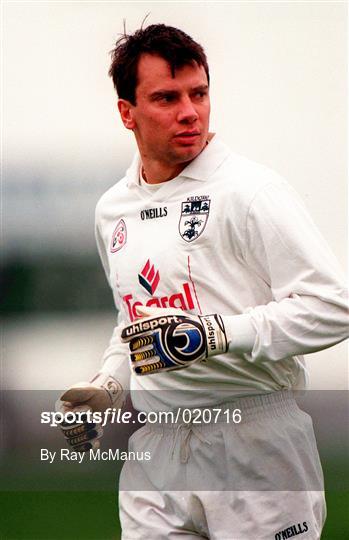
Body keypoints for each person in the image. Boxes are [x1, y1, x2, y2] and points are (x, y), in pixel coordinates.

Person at [58, 24, 348, 539]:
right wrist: (109, 383)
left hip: (257, 445)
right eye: (167, 97)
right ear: (127, 112)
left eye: (199, 93)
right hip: (158, 452)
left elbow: (334, 306)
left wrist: (218, 334)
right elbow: (137, 318)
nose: (189, 111)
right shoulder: (112, 211)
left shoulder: (251, 191)